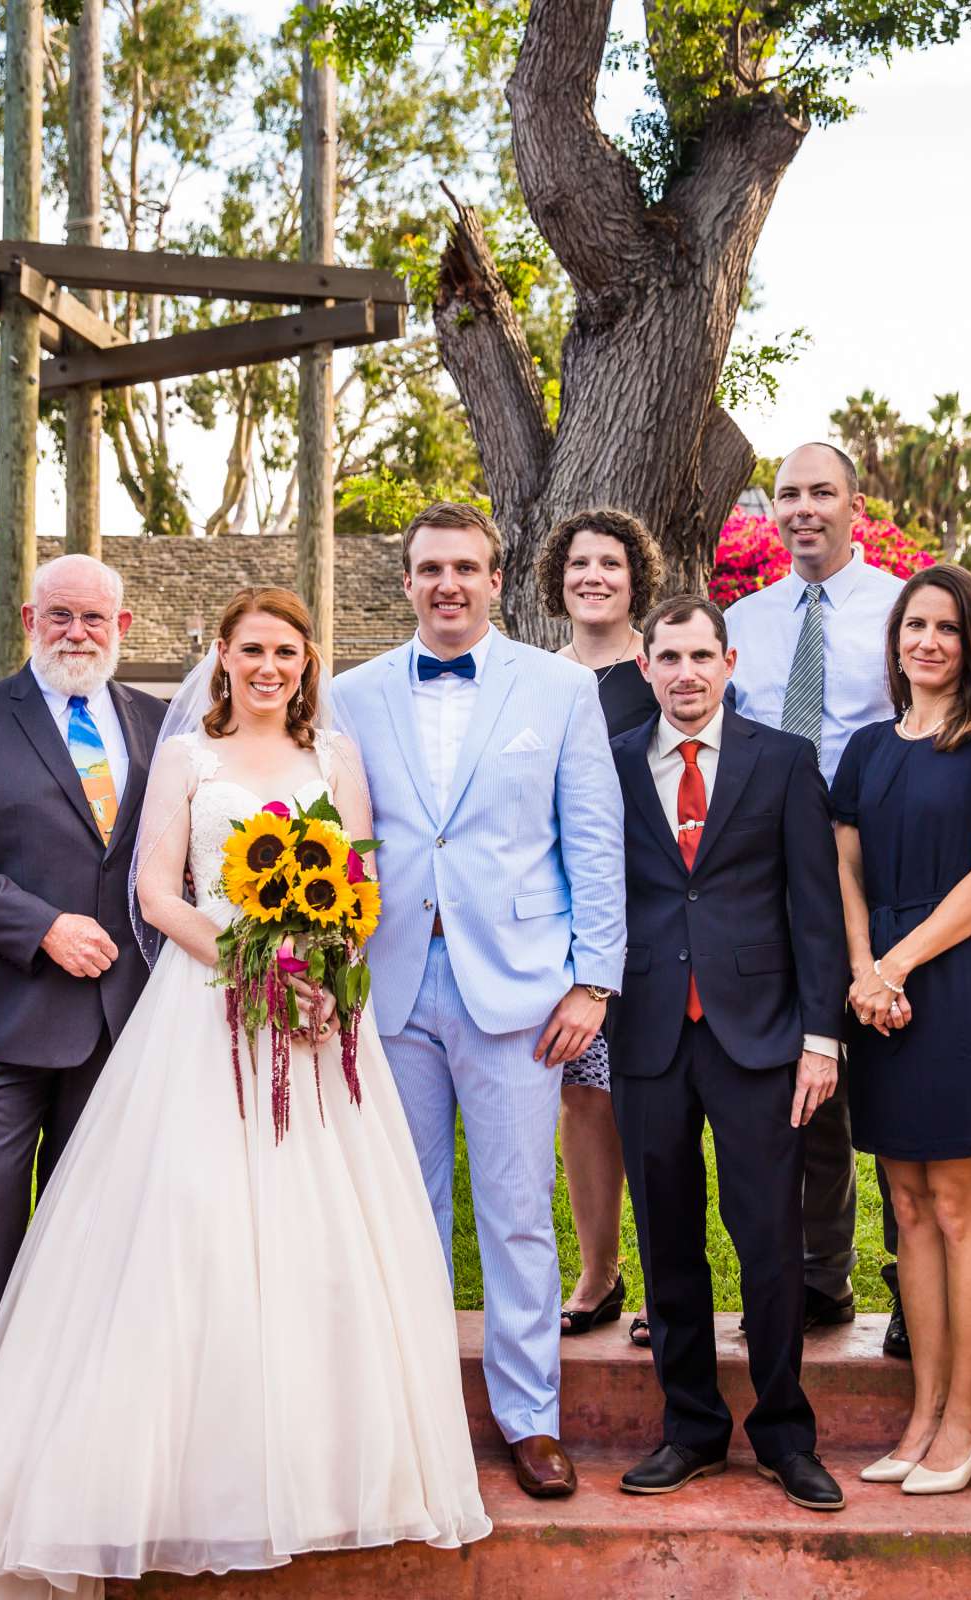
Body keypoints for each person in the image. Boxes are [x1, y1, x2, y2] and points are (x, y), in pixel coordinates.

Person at [0, 588, 489, 1599]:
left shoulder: (336, 758)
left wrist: (326, 975)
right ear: (222, 654)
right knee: (188, 1230)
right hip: (208, 1007)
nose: (270, 666)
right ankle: (155, 1469)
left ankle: (323, 1465)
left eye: (287, 650)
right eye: (252, 648)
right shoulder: (184, 757)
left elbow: (360, 881)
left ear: (307, 659)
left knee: (326, 1235)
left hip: (323, 1021)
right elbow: (157, 891)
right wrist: (255, 965)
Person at [332, 502, 625, 1501]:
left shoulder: (560, 687)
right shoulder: (350, 695)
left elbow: (592, 836)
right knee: (401, 1211)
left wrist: (593, 980)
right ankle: (410, 1415)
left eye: (466, 567)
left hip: (522, 991)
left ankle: (529, 1418)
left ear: (497, 581)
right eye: (429, 568)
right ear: (406, 582)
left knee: (515, 1215)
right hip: (390, 983)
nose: (447, 583)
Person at [0, 553, 168, 1430]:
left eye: (94, 619)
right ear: (28, 619)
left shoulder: (161, 725)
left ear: (123, 629)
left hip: (127, 1017)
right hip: (3, 1017)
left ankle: (68, 1420)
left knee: (92, 1218)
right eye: (59, 616)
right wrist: (42, 928)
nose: (76, 633)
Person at [605, 593, 847, 1515]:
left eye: (702, 656)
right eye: (669, 658)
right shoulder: (615, 764)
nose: (687, 674)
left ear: (730, 662)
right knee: (667, 1239)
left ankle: (786, 1434)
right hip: (650, 1035)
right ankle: (692, 1427)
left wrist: (818, 1037)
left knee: (770, 1244)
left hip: (760, 1039)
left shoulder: (783, 761)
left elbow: (816, 910)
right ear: (646, 669)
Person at [831, 566, 971, 1496]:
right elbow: (846, 869)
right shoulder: (864, 748)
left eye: (947, 628)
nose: (927, 642)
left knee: (960, 1207)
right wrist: (862, 972)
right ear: (894, 640)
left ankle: (970, 1416)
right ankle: (922, 1413)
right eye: (913, 626)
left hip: (958, 985)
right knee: (909, 1211)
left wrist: (897, 966)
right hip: (877, 996)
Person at [724, 441, 910, 1352]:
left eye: (821, 493)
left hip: (887, 866)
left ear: (854, 505)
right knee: (812, 1074)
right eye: (788, 494)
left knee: (906, 1081)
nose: (803, 508)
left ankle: (918, 1286)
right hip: (777, 877)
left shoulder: (898, 613)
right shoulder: (744, 621)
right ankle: (819, 1279)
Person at [535, 507, 665, 1349]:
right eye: (580, 563)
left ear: (634, 579)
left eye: (610, 565)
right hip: (567, 919)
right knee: (585, 1099)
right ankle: (598, 1271)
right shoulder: (533, 678)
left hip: (654, 910)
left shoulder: (665, 671)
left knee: (654, 1101)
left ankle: (668, 1282)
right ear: (559, 578)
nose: (594, 577)